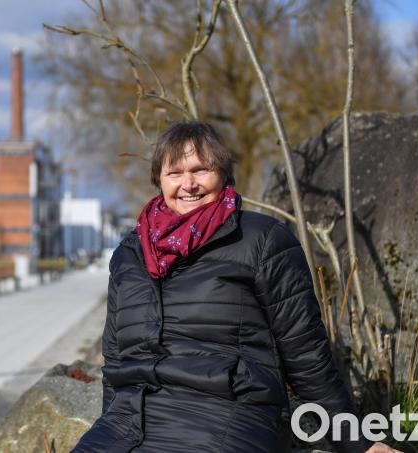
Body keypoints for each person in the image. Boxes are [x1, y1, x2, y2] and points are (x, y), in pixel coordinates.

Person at [73, 121, 400, 453]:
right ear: (159, 179)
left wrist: (356, 442)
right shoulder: (130, 254)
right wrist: (107, 431)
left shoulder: (262, 241)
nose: (188, 184)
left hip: (226, 417)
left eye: (201, 170)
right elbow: (116, 358)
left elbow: (305, 352)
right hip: (127, 422)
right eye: (175, 173)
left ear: (223, 174)